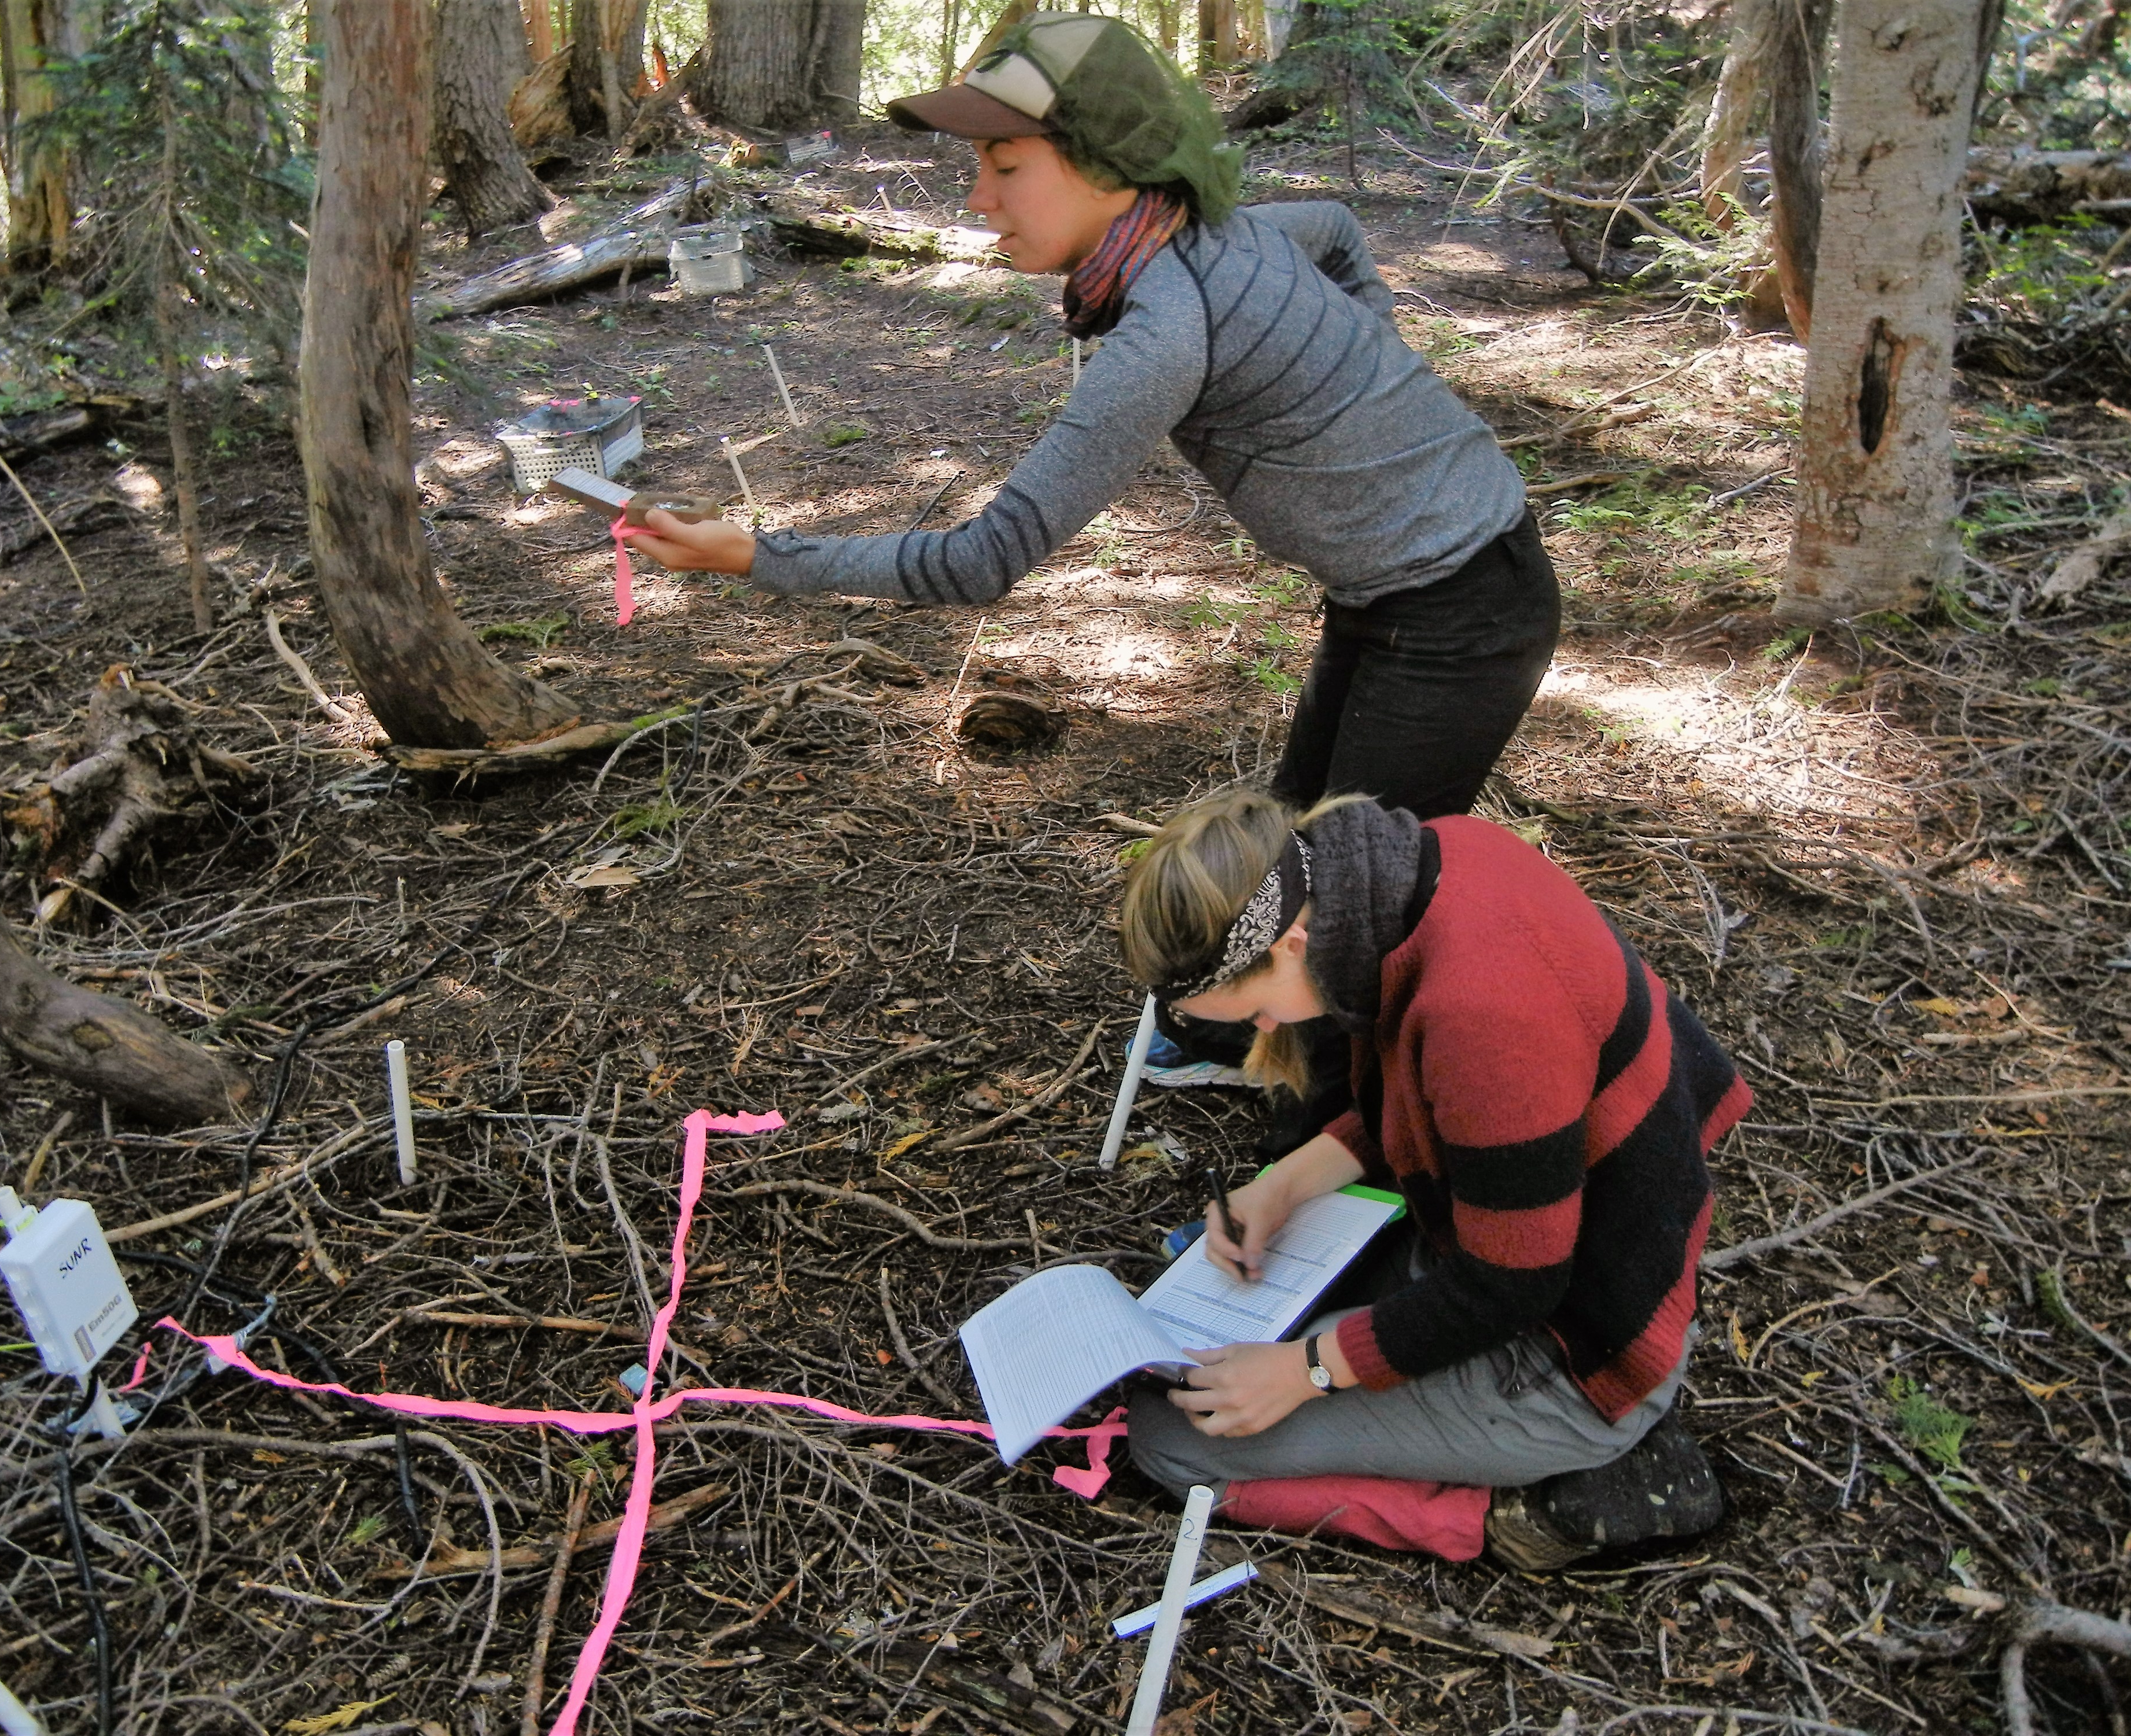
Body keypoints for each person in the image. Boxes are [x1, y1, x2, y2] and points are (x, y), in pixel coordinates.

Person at [627, 10, 1559, 824]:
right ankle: (1259, 1027)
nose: (978, 198)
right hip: (1391, 594)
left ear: (1113, 165)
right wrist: (1376, 354)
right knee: (1292, 837)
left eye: (1007, 165)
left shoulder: (1168, 327)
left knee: (1353, 899)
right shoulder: (1221, 231)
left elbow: (983, 560)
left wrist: (754, 555)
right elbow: (1339, 230)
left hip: (1461, 615)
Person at [1113, 787, 1751, 1568]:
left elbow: (1513, 1283)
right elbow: (1433, 1103)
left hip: (1576, 1355)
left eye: (1253, 1013)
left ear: (1288, 943)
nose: (1270, 1030)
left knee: (1171, 1438)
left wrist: (1307, 1371)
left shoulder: (1483, 1015)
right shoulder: (1424, 866)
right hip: (1522, 1248)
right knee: (1202, 1364)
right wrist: (1283, 1186)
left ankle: (1533, 1508)